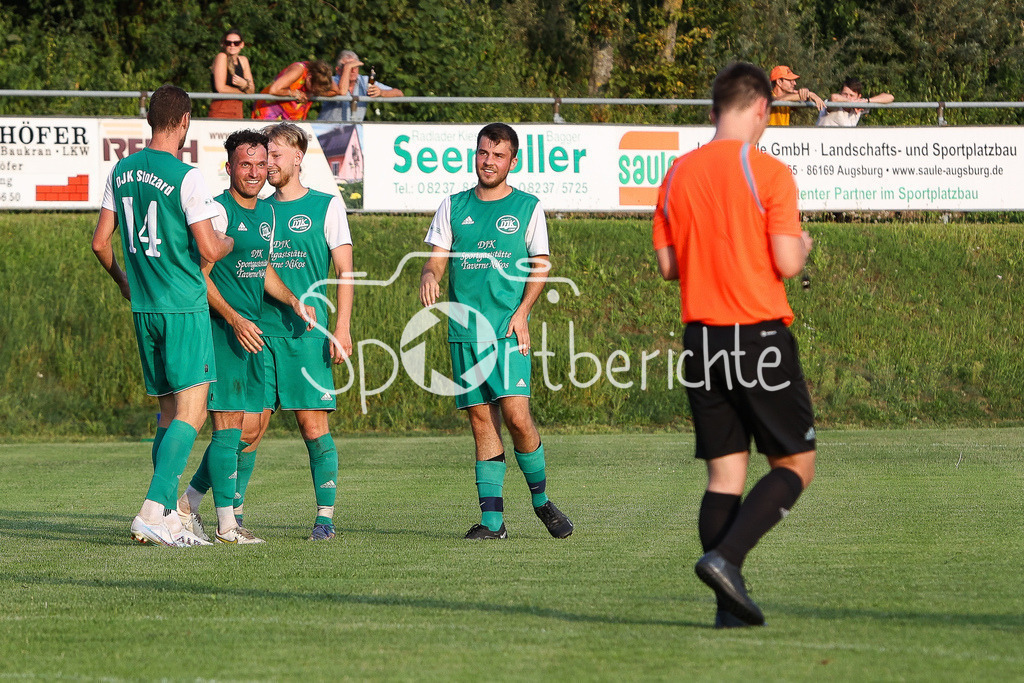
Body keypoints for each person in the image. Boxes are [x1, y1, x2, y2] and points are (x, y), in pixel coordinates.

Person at [652, 63, 816, 627]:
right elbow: (788, 262)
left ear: (714, 109)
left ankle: (728, 611)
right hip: (758, 334)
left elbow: (669, 266)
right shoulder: (767, 170)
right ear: (760, 110)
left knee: (724, 475)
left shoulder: (675, 175)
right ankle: (726, 558)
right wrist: (803, 241)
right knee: (796, 462)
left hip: (701, 339)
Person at [91, 84, 233, 547]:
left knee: (169, 415)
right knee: (192, 413)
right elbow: (210, 248)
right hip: (183, 306)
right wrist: (230, 240)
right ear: (186, 121)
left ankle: (170, 517)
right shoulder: (186, 176)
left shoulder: (122, 169)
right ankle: (153, 509)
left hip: (145, 307)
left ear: (151, 119)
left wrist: (123, 281)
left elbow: (99, 243)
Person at [419, 123, 573, 541]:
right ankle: (492, 523)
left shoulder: (527, 207)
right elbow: (435, 259)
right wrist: (428, 275)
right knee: (480, 421)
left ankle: (541, 502)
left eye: (498, 155)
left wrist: (523, 311)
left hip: (507, 330)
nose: (489, 161)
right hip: (464, 333)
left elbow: (540, 265)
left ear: (512, 161)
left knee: (518, 417)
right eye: (483, 153)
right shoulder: (453, 206)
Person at [174, 129, 317, 544]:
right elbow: (199, 278)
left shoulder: (268, 215)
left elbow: (261, 266)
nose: (254, 172)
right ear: (230, 167)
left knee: (251, 429)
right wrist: (234, 319)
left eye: (259, 164)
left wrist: (291, 298)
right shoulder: (217, 213)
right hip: (224, 331)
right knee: (230, 427)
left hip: (253, 332)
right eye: (245, 164)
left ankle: (187, 504)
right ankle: (226, 526)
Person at [241, 122, 353, 541]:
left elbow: (344, 271)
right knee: (248, 428)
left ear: (298, 157)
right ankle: (229, 517)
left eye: (275, 155)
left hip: (307, 336)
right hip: (260, 334)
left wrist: (341, 328)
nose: (267, 164)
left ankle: (325, 519)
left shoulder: (326, 206)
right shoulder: (258, 208)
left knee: (312, 427)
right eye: (263, 156)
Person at [318, 50, 404, 123]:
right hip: (328, 132)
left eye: (355, 66)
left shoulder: (365, 81)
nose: (353, 70)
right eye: (348, 67)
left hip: (354, 133)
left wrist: (381, 92)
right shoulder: (331, 81)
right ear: (338, 70)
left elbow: (399, 93)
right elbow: (342, 91)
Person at [252, 60, 336, 121]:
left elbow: (337, 91)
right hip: (270, 114)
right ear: (309, 78)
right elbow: (274, 90)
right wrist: (293, 93)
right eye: (314, 90)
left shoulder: (322, 76)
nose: (314, 93)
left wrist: (312, 94)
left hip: (292, 120)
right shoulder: (298, 70)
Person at [208, 28, 255, 119]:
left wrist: (245, 84)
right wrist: (243, 91)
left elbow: (252, 90)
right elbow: (221, 88)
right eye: (228, 43)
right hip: (221, 108)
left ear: (242, 44)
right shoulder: (222, 57)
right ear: (223, 44)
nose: (232, 45)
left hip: (238, 109)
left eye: (236, 43)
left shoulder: (243, 60)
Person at [816, 78, 895, 127]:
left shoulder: (860, 104)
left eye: (851, 95)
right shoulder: (832, 104)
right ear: (840, 93)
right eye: (845, 94)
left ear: (859, 96)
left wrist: (867, 101)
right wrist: (852, 102)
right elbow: (834, 97)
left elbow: (890, 97)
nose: (847, 97)